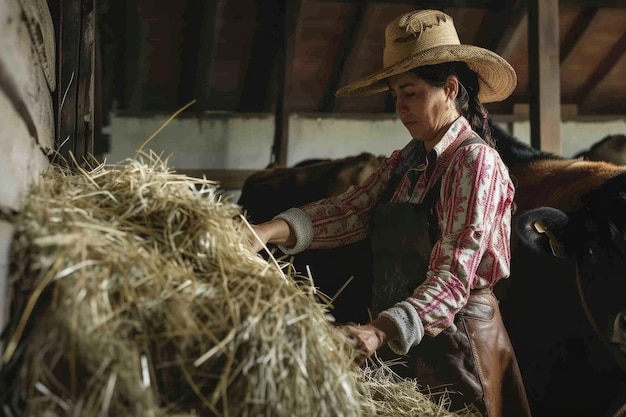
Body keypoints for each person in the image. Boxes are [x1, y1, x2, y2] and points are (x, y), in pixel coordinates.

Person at [246, 9, 532, 417]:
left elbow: (453, 279)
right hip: (402, 338)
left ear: (450, 89)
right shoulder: (407, 161)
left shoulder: (474, 163)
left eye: (410, 92)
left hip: (459, 348)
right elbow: (351, 210)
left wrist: (379, 331)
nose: (399, 106)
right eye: (395, 94)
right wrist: (265, 231)